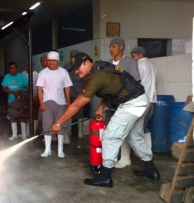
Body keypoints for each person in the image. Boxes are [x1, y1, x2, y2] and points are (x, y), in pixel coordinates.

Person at [51, 52, 160, 188]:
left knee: (109, 137)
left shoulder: (96, 77)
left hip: (132, 104)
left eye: (79, 68)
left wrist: (58, 123)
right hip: (142, 99)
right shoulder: (102, 67)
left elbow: (77, 104)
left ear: (87, 63)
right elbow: (111, 87)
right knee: (135, 137)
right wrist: (101, 107)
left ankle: (105, 177)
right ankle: (152, 170)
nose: (77, 72)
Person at [113, 46, 157, 168]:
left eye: (133, 56)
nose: (132, 59)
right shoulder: (152, 65)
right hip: (152, 99)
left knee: (133, 128)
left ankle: (139, 155)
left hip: (141, 100)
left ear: (140, 55)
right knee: (144, 126)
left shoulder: (140, 66)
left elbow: (136, 82)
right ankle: (147, 152)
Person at [36, 50, 72, 158]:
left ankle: (60, 150)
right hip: (47, 101)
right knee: (47, 125)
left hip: (61, 102)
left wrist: (68, 102)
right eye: (49, 61)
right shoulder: (43, 73)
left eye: (53, 61)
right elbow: (39, 89)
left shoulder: (63, 72)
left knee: (60, 125)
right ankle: (48, 150)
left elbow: (67, 87)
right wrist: (41, 103)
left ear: (57, 61)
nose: (51, 63)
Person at [1, 61, 28, 140]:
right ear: (9, 69)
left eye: (14, 68)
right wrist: (13, 92)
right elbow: (4, 89)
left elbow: (28, 87)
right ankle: (14, 134)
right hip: (11, 100)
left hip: (21, 101)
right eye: (10, 68)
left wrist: (21, 93)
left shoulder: (22, 77)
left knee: (22, 117)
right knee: (12, 118)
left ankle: (24, 135)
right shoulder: (7, 77)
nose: (12, 70)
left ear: (17, 68)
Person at [63, 49, 85, 143]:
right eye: (71, 56)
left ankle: (80, 132)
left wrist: (84, 93)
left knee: (80, 114)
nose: (73, 58)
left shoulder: (82, 66)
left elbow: (86, 81)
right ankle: (68, 133)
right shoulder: (66, 67)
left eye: (75, 56)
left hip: (79, 95)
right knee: (68, 114)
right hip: (68, 95)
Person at [22, 60, 39, 137]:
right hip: (25, 98)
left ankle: (33, 133)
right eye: (27, 65)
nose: (28, 67)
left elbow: (40, 88)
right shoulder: (23, 74)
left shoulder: (37, 74)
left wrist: (37, 97)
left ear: (33, 66)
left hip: (35, 98)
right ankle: (25, 133)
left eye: (31, 65)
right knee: (25, 115)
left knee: (34, 115)